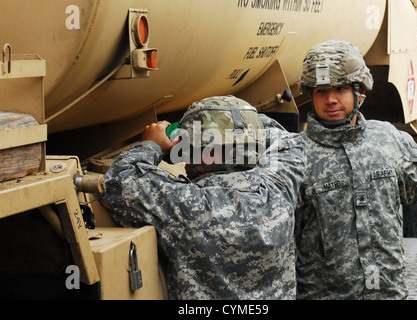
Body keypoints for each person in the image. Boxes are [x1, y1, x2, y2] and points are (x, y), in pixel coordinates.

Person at [101, 95, 305, 299]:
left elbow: (117, 180)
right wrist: (239, 120)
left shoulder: (188, 205)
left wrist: (151, 145)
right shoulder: (279, 190)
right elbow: (288, 141)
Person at [295, 39, 417, 299]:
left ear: (360, 91)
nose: (330, 99)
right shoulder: (294, 155)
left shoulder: (389, 140)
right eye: (321, 91)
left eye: (340, 88)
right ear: (311, 95)